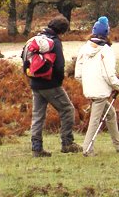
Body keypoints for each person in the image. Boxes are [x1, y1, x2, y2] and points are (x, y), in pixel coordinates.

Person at [24, 15, 82, 157]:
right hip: (50, 84)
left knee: (38, 116)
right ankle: (67, 143)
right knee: (67, 109)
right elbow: (59, 65)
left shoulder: (36, 39)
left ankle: (37, 148)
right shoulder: (55, 42)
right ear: (62, 31)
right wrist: (58, 81)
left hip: (35, 83)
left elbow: (25, 59)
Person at [74, 16, 119, 156]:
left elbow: (77, 74)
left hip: (90, 89)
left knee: (110, 114)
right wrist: (117, 86)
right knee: (95, 120)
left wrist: (88, 84)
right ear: (107, 33)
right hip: (100, 91)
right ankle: (87, 149)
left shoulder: (84, 48)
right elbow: (109, 74)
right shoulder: (106, 50)